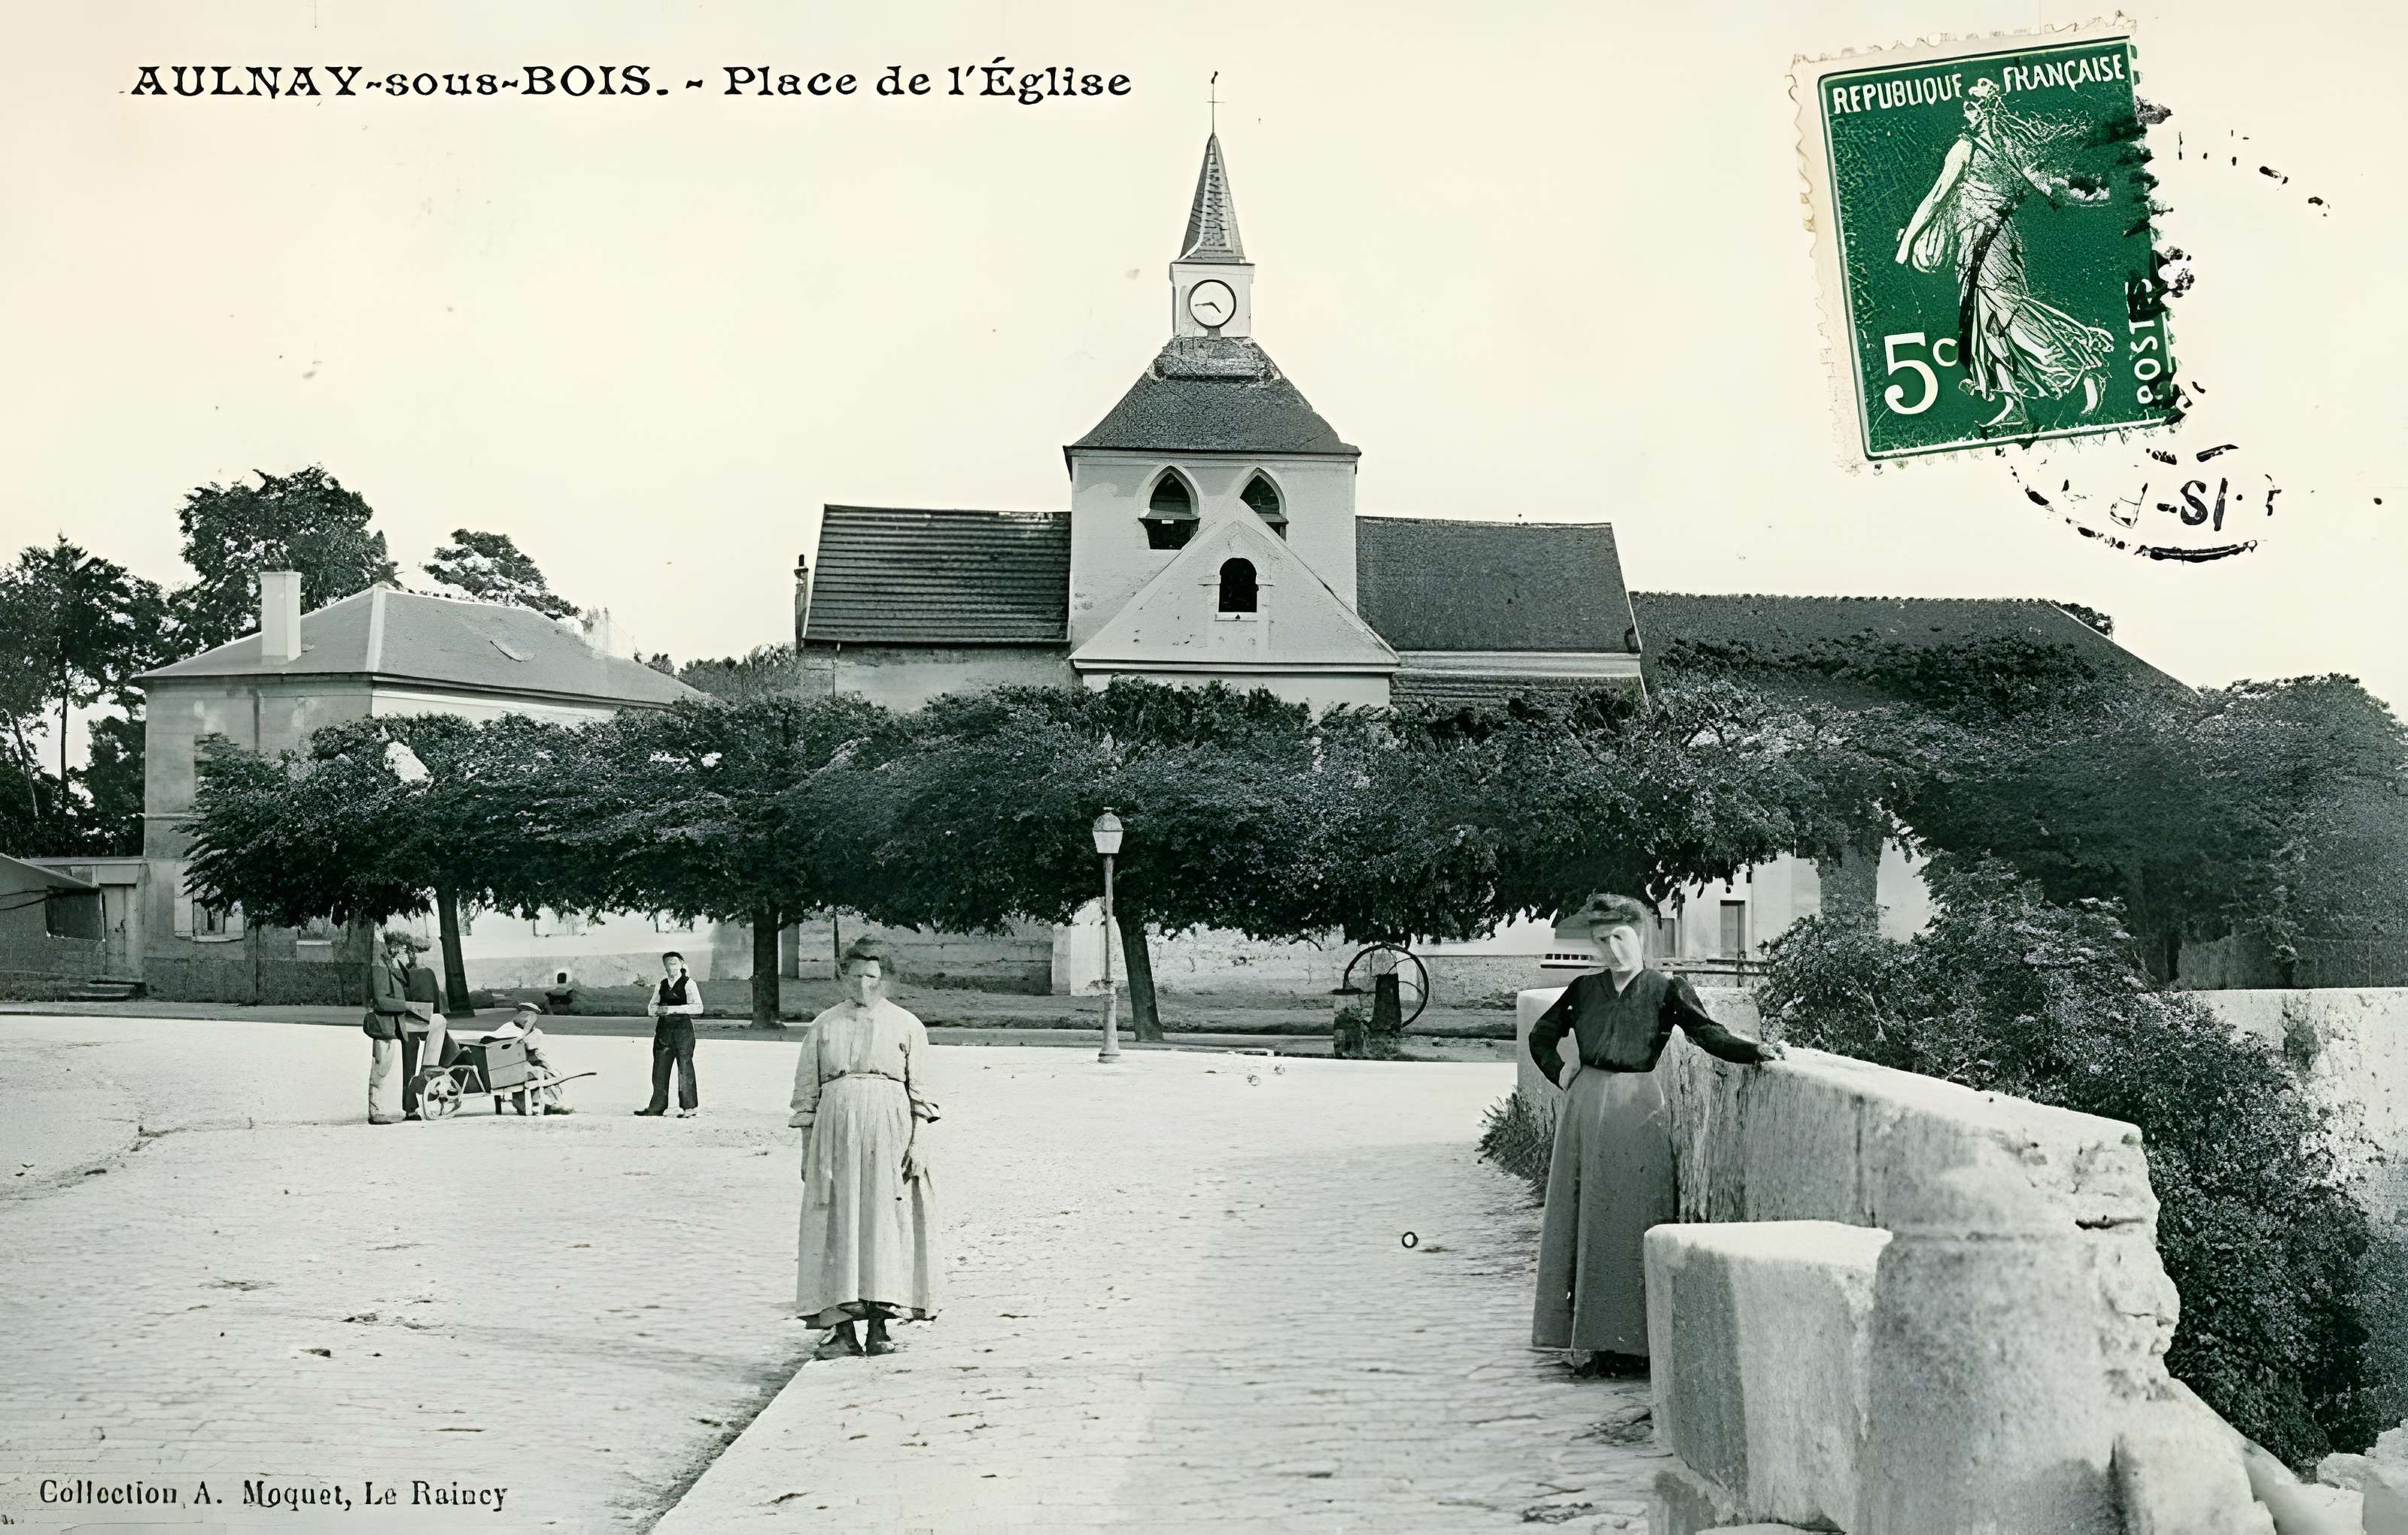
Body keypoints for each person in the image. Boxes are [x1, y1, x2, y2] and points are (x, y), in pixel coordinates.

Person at [1526, 895, 1786, 1377]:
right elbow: (1540, 1037)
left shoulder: (1666, 990)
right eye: (1601, 941)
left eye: (1620, 938)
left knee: (1633, 1216)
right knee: (1585, 1218)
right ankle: (1592, 1341)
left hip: (1639, 1109)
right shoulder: (1583, 990)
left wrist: (1756, 1052)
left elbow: (1707, 1033)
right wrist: (1562, 1073)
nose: (1611, 949)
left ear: (1641, 936)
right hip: (1585, 1111)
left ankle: (1638, 1341)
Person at [1893, 77, 2115, 431]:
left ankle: (2081, 367)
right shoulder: (1996, 146)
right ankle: (2012, 403)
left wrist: (1907, 245)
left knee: (2012, 312)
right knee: (1986, 322)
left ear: (1987, 108)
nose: (1964, 110)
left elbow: (1936, 197)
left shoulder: (1972, 149)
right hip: (1974, 242)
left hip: (1993, 241)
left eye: (1971, 104)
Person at [789, 937, 938, 1360]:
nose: (864, 986)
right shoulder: (823, 1025)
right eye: (855, 977)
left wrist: (918, 1141)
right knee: (837, 1221)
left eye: (872, 977)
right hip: (834, 1133)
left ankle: (879, 1326)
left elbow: (921, 1092)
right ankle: (841, 1331)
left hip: (889, 1130)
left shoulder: (907, 1024)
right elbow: (806, 1093)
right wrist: (806, 1150)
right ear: (843, 978)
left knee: (883, 1221)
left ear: (885, 979)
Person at [363, 929, 426, 1125]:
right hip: (384, 1025)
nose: (405, 951)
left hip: (393, 1025)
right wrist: (407, 1006)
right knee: (381, 1068)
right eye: (403, 947)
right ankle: (376, 1111)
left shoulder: (391, 965)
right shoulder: (380, 966)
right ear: (394, 946)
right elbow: (381, 1001)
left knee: (385, 1066)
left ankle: (387, 1109)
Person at [636, 950, 705, 1117]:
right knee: (660, 1068)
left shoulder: (689, 984)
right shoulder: (661, 985)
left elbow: (698, 1008)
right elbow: (651, 1009)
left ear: (682, 964)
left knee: (685, 1067)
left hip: (683, 1031)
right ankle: (656, 1107)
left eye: (674, 962)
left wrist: (672, 1010)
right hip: (664, 1031)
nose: (671, 966)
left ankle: (689, 1107)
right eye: (667, 963)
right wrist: (660, 1010)